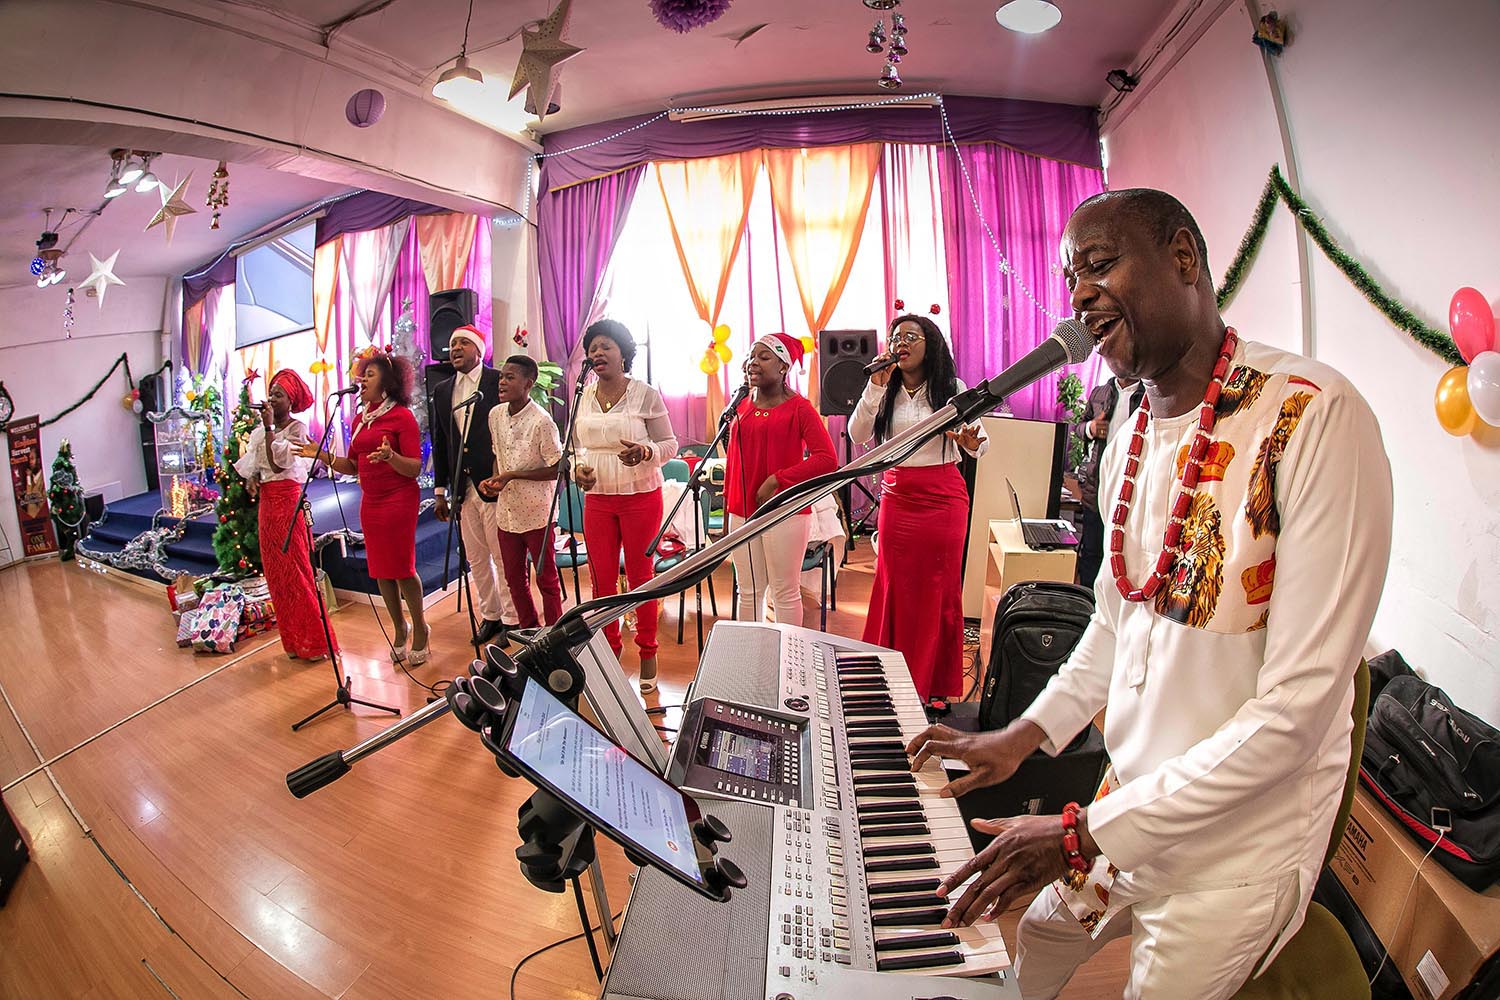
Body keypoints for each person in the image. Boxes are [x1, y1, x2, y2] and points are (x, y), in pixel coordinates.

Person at [906, 188, 1393, 1000]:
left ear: (1184, 258)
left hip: (1238, 850)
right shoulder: (1131, 427)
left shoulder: (1312, 418)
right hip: (1126, 805)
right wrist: (1024, 735)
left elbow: (1297, 713)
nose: (1082, 297)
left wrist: (1083, 834)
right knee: (1039, 942)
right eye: (1071, 282)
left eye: (1100, 265)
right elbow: (1111, 623)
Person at [849, 311, 988, 702]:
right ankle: (886, 678)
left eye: (911, 336)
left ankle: (934, 685)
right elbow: (857, 435)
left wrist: (972, 443)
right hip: (898, 498)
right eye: (895, 338)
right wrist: (874, 388)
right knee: (894, 587)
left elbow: (983, 440)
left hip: (943, 499)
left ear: (930, 345)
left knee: (938, 590)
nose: (901, 344)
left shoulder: (951, 387)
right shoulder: (884, 388)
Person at [300, 350, 431, 665]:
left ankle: (421, 627)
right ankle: (400, 626)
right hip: (370, 501)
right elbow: (352, 466)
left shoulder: (401, 416)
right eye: (362, 375)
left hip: (399, 498)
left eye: (369, 375)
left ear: (386, 382)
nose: (362, 381)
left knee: (401, 566)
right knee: (381, 569)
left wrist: (391, 458)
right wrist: (323, 456)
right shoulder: (360, 420)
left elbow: (415, 468)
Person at [573, 320, 679, 692]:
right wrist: (576, 469)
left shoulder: (645, 394)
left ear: (623, 354)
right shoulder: (582, 397)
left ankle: (648, 652)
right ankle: (609, 652)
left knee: (640, 579)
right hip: (598, 500)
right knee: (601, 581)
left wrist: (646, 451)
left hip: (639, 498)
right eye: (593, 348)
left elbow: (671, 445)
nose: (597, 353)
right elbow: (576, 449)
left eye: (606, 346)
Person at [723, 333, 837, 629]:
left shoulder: (799, 408)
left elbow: (827, 458)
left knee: (785, 592)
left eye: (764, 357)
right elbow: (734, 458)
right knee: (747, 591)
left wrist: (778, 479)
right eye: (751, 356)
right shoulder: (740, 405)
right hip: (742, 510)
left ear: (784, 367)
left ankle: (789, 660)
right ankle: (749, 661)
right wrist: (730, 506)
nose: (753, 362)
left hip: (784, 511)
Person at [236, 369, 337, 661]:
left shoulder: (297, 430)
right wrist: (252, 480)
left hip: (289, 505)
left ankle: (316, 642)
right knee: (277, 576)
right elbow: (257, 469)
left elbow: (279, 466)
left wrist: (269, 428)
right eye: (271, 393)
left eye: (278, 395)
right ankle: (294, 641)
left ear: (290, 401)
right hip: (268, 507)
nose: (271, 399)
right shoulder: (258, 433)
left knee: (297, 573)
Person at [431, 324, 519, 646]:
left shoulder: (499, 381)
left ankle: (513, 619)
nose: (455, 348)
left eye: (463, 343)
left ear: (479, 350)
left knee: (502, 555)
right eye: (453, 344)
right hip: (462, 487)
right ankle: (491, 615)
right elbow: (441, 442)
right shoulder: (442, 390)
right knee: (476, 557)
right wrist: (440, 491)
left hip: (495, 483)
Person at [480, 355, 564, 629]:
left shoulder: (542, 422)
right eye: (502, 376)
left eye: (510, 377)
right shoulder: (495, 415)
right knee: (514, 579)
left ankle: (555, 636)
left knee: (546, 579)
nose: (502, 382)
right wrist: (495, 480)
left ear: (528, 384)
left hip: (538, 512)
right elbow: (498, 456)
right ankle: (529, 633)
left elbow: (557, 469)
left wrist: (513, 475)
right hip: (507, 512)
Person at [1071, 373, 1144, 588]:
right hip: (1098, 486)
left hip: (1133, 487)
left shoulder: (1148, 395)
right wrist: (1091, 428)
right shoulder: (1100, 392)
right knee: (1092, 551)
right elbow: (1079, 427)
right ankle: (1087, 607)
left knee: (1125, 555)